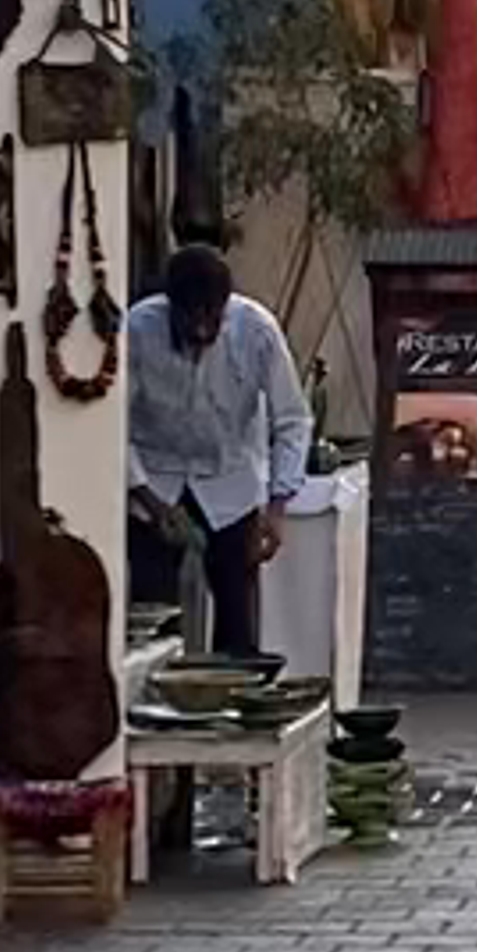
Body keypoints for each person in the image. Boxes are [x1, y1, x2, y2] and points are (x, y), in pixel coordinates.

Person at [125, 239, 310, 662]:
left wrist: (277, 508)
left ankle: (236, 702)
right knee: (153, 622)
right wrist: (150, 502)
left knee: (237, 618)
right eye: (192, 319)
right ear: (171, 306)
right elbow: (114, 427)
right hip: (154, 480)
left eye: (214, 316)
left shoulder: (257, 330)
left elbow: (292, 421)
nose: (203, 329)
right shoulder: (137, 330)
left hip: (231, 484)